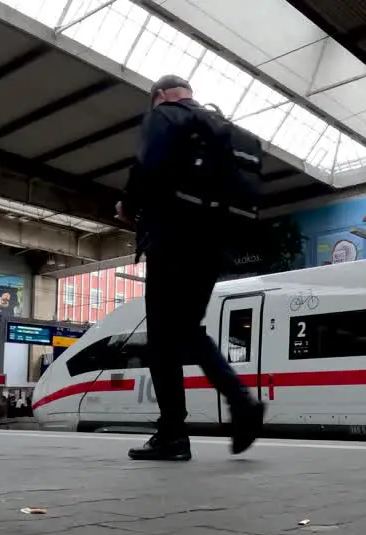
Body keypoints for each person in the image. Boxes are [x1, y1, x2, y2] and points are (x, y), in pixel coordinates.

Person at [118, 74, 265, 462]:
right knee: (183, 331)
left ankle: (174, 435)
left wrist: (128, 207)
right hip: (213, 243)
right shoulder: (222, 128)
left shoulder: (166, 114)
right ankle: (238, 405)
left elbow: (148, 166)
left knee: (163, 341)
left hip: (173, 239)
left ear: (161, 95)